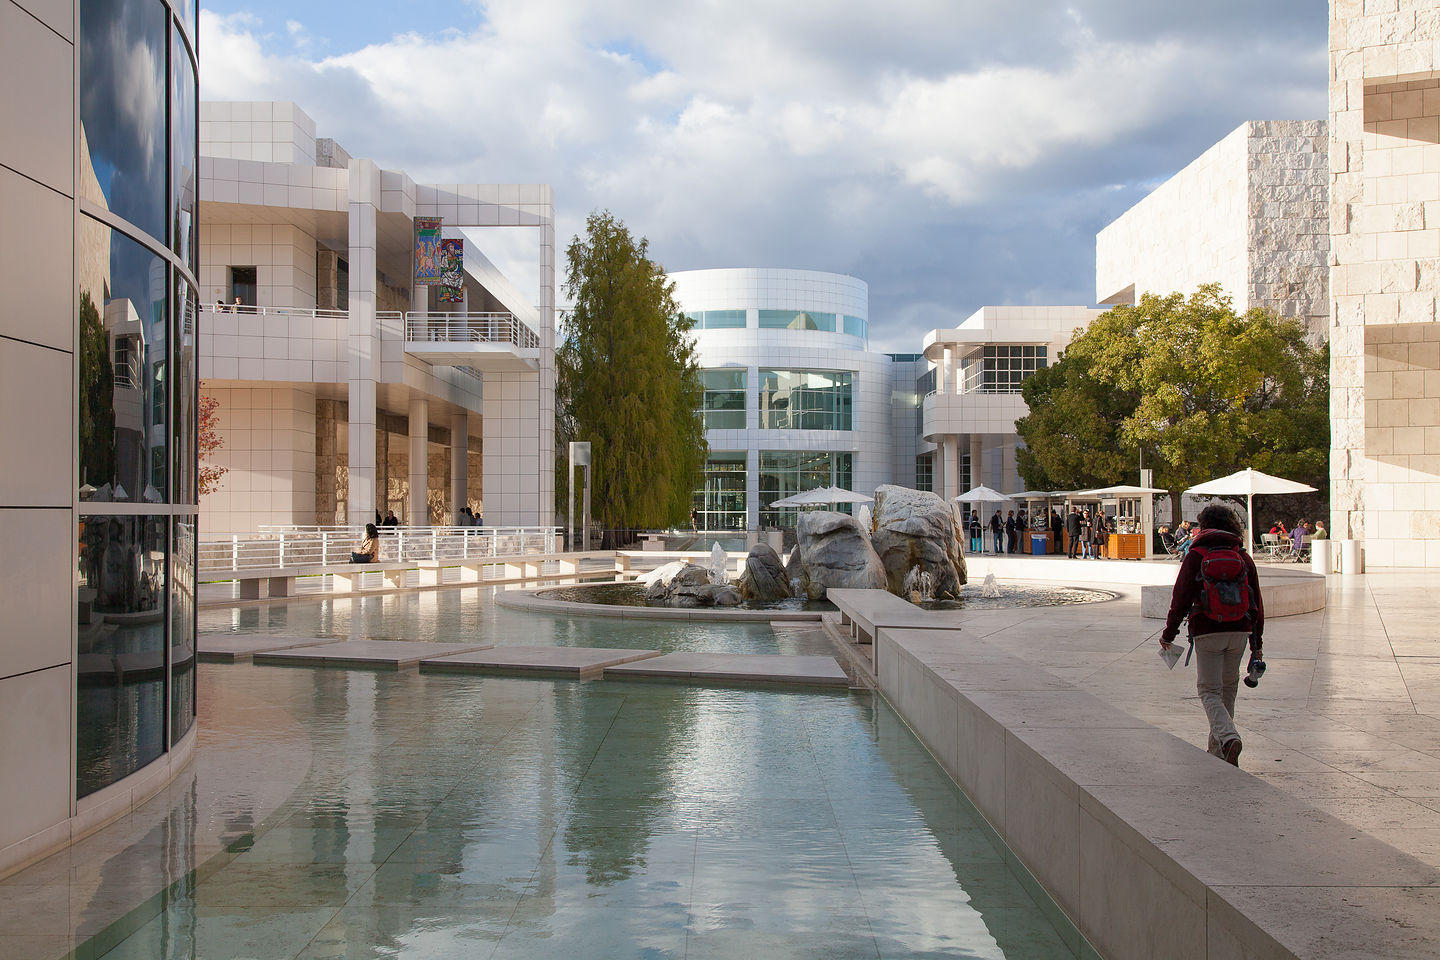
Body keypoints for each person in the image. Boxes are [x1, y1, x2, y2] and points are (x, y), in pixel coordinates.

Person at [1159, 503, 1264, 766]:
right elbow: (1257, 603)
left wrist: (1169, 633)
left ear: (1204, 525)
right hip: (1240, 629)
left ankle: (1228, 738)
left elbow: (1180, 597)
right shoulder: (1241, 555)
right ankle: (1218, 751)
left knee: (1208, 690)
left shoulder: (1196, 554)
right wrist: (1257, 644)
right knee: (1228, 688)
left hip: (1207, 630)